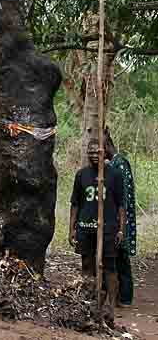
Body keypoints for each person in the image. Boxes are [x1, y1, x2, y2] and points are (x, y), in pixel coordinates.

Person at [69, 138, 126, 322]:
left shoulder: (115, 175)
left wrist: (121, 230)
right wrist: (72, 228)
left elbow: (121, 205)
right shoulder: (81, 175)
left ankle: (110, 305)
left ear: (104, 153)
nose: (94, 155)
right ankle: (88, 301)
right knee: (87, 265)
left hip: (108, 229)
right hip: (86, 228)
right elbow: (75, 204)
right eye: (91, 152)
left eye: (97, 152)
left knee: (110, 267)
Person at [105, 128, 137, 307]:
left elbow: (123, 198)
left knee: (122, 258)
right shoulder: (114, 164)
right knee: (116, 257)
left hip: (121, 220)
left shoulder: (120, 164)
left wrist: (121, 225)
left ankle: (125, 297)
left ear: (108, 146)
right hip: (115, 220)